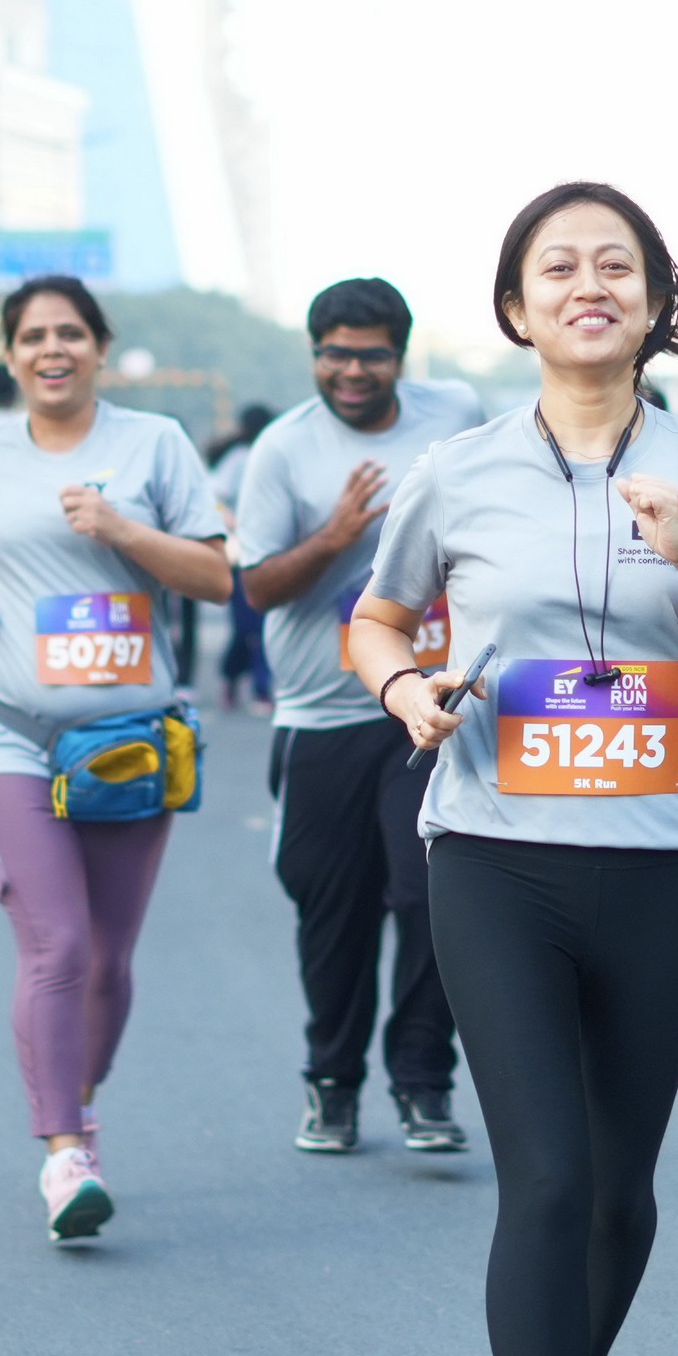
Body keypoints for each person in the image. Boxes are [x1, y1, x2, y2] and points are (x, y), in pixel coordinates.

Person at [351, 183, 678, 1356]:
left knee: (621, 1202)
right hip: (496, 858)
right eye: (558, 267)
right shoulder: (458, 470)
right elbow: (376, 619)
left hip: (661, 870)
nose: (588, 285)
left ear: (655, 302)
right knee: (548, 1178)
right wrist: (406, 689)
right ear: (517, 307)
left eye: (617, 265)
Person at [0, 275, 233, 1242]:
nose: (53, 349)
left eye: (71, 333)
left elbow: (217, 577)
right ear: (11, 357)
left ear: (99, 347)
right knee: (60, 945)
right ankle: (64, 1152)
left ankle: (77, 1102)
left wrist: (122, 529)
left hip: (131, 744)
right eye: (34, 336)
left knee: (110, 962)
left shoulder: (154, 444)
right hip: (10, 731)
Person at [233, 277, 485, 1154]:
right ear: (314, 355)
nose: (350, 370)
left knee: (429, 896)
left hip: (427, 707)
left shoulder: (454, 413)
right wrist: (336, 536)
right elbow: (257, 587)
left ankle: (422, 1080)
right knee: (332, 910)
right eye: (334, 353)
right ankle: (332, 1081)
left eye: (370, 354)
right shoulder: (283, 449)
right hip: (322, 719)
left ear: (400, 356)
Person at [208, 403, 278, 712]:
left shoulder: (274, 455)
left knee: (263, 627)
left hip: (271, 554)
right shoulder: (238, 460)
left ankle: (262, 689)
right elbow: (214, 496)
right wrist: (232, 522)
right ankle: (232, 676)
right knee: (245, 628)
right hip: (241, 556)